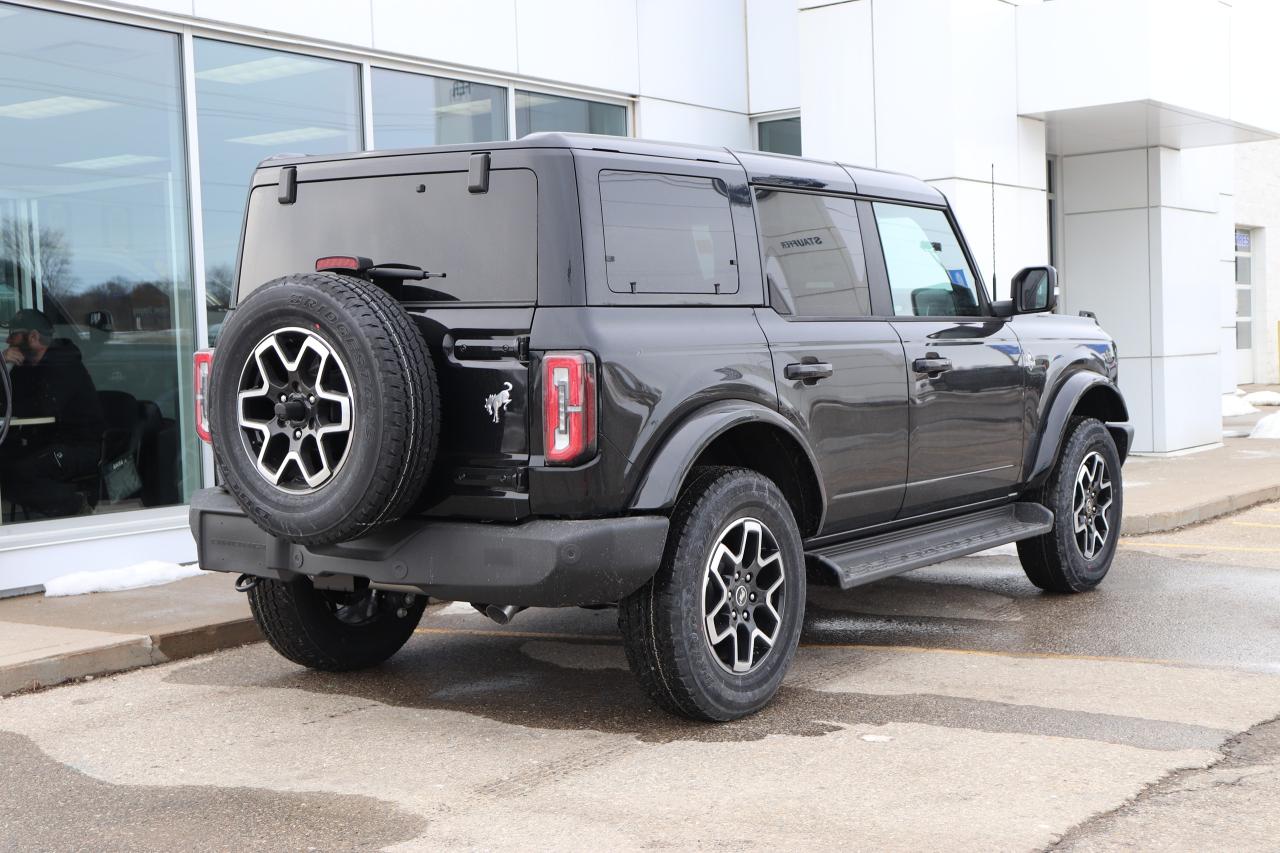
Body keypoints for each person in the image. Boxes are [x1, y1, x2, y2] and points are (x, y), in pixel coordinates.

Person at [1, 308, 104, 518]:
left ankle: (76, 506)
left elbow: (45, 408)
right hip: (43, 442)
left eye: (14, 333)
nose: (9, 340)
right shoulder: (25, 367)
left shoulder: (63, 363)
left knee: (18, 473)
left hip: (78, 446)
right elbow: (5, 403)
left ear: (33, 337)